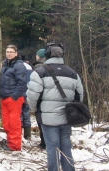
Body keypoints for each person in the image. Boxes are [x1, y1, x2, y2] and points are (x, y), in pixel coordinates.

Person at [27, 43, 83, 171]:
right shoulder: (73, 73)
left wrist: (36, 109)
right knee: (66, 146)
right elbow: (79, 96)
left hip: (48, 117)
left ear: (47, 55)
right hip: (66, 117)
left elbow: (32, 96)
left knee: (52, 147)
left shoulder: (39, 72)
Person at [0, 44, 27, 151]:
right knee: (6, 123)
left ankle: (15, 146)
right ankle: (10, 142)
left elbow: (22, 83)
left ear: (16, 53)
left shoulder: (19, 66)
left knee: (14, 123)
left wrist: (13, 97)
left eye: (11, 52)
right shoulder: (5, 64)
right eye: (7, 52)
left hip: (14, 98)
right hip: (4, 97)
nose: (9, 54)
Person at [32, 48, 47, 149]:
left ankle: (43, 142)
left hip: (41, 97)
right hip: (50, 97)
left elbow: (34, 85)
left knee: (40, 120)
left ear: (39, 56)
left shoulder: (38, 67)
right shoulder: (51, 66)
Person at [19, 52, 33, 140]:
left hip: (19, 94)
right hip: (27, 93)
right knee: (26, 114)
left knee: (18, 115)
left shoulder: (17, 66)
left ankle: (19, 134)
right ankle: (27, 135)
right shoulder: (29, 67)